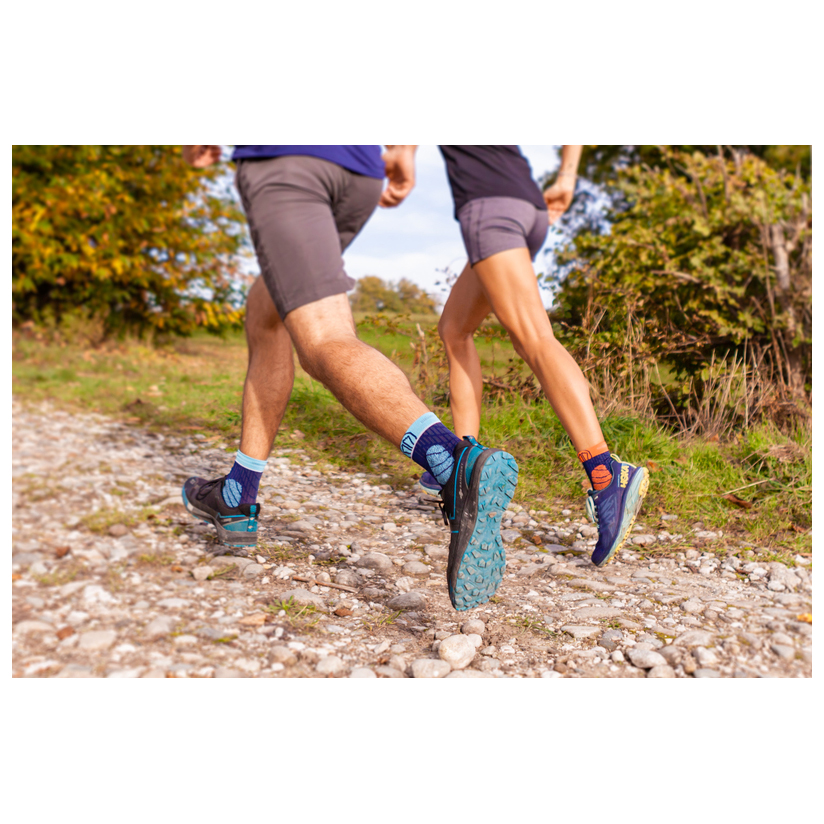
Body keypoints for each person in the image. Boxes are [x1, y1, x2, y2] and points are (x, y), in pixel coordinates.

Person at [179, 145, 518, 611]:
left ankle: (451, 462)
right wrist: (403, 149)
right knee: (266, 311)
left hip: (289, 159)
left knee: (323, 339)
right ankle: (238, 494)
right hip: (359, 170)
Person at [427, 145, 648, 568]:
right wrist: (567, 176)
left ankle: (606, 476)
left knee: (534, 338)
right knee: (454, 329)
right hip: (527, 205)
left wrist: (400, 154)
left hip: (488, 207)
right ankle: (464, 461)